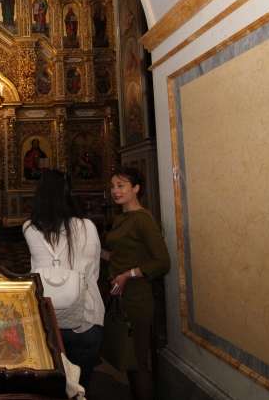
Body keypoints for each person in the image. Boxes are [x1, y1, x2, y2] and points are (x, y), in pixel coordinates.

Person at [23, 170, 104, 393]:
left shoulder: (30, 228)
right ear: (69, 193)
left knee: (51, 388)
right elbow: (94, 272)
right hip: (86, 316)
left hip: (48, 319)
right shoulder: (88, 227)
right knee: (80, 388)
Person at [103, 166, 170, 400]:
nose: (115, 190)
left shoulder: (143, 219)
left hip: (136, 297)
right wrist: (96, 251)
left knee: (138, 362)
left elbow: (162, 262)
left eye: (121, 185)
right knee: (128, 360)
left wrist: (127, 275)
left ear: (136, 188)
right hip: (120, 296)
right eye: (113, 186)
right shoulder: (121, 218)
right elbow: (120, 256)